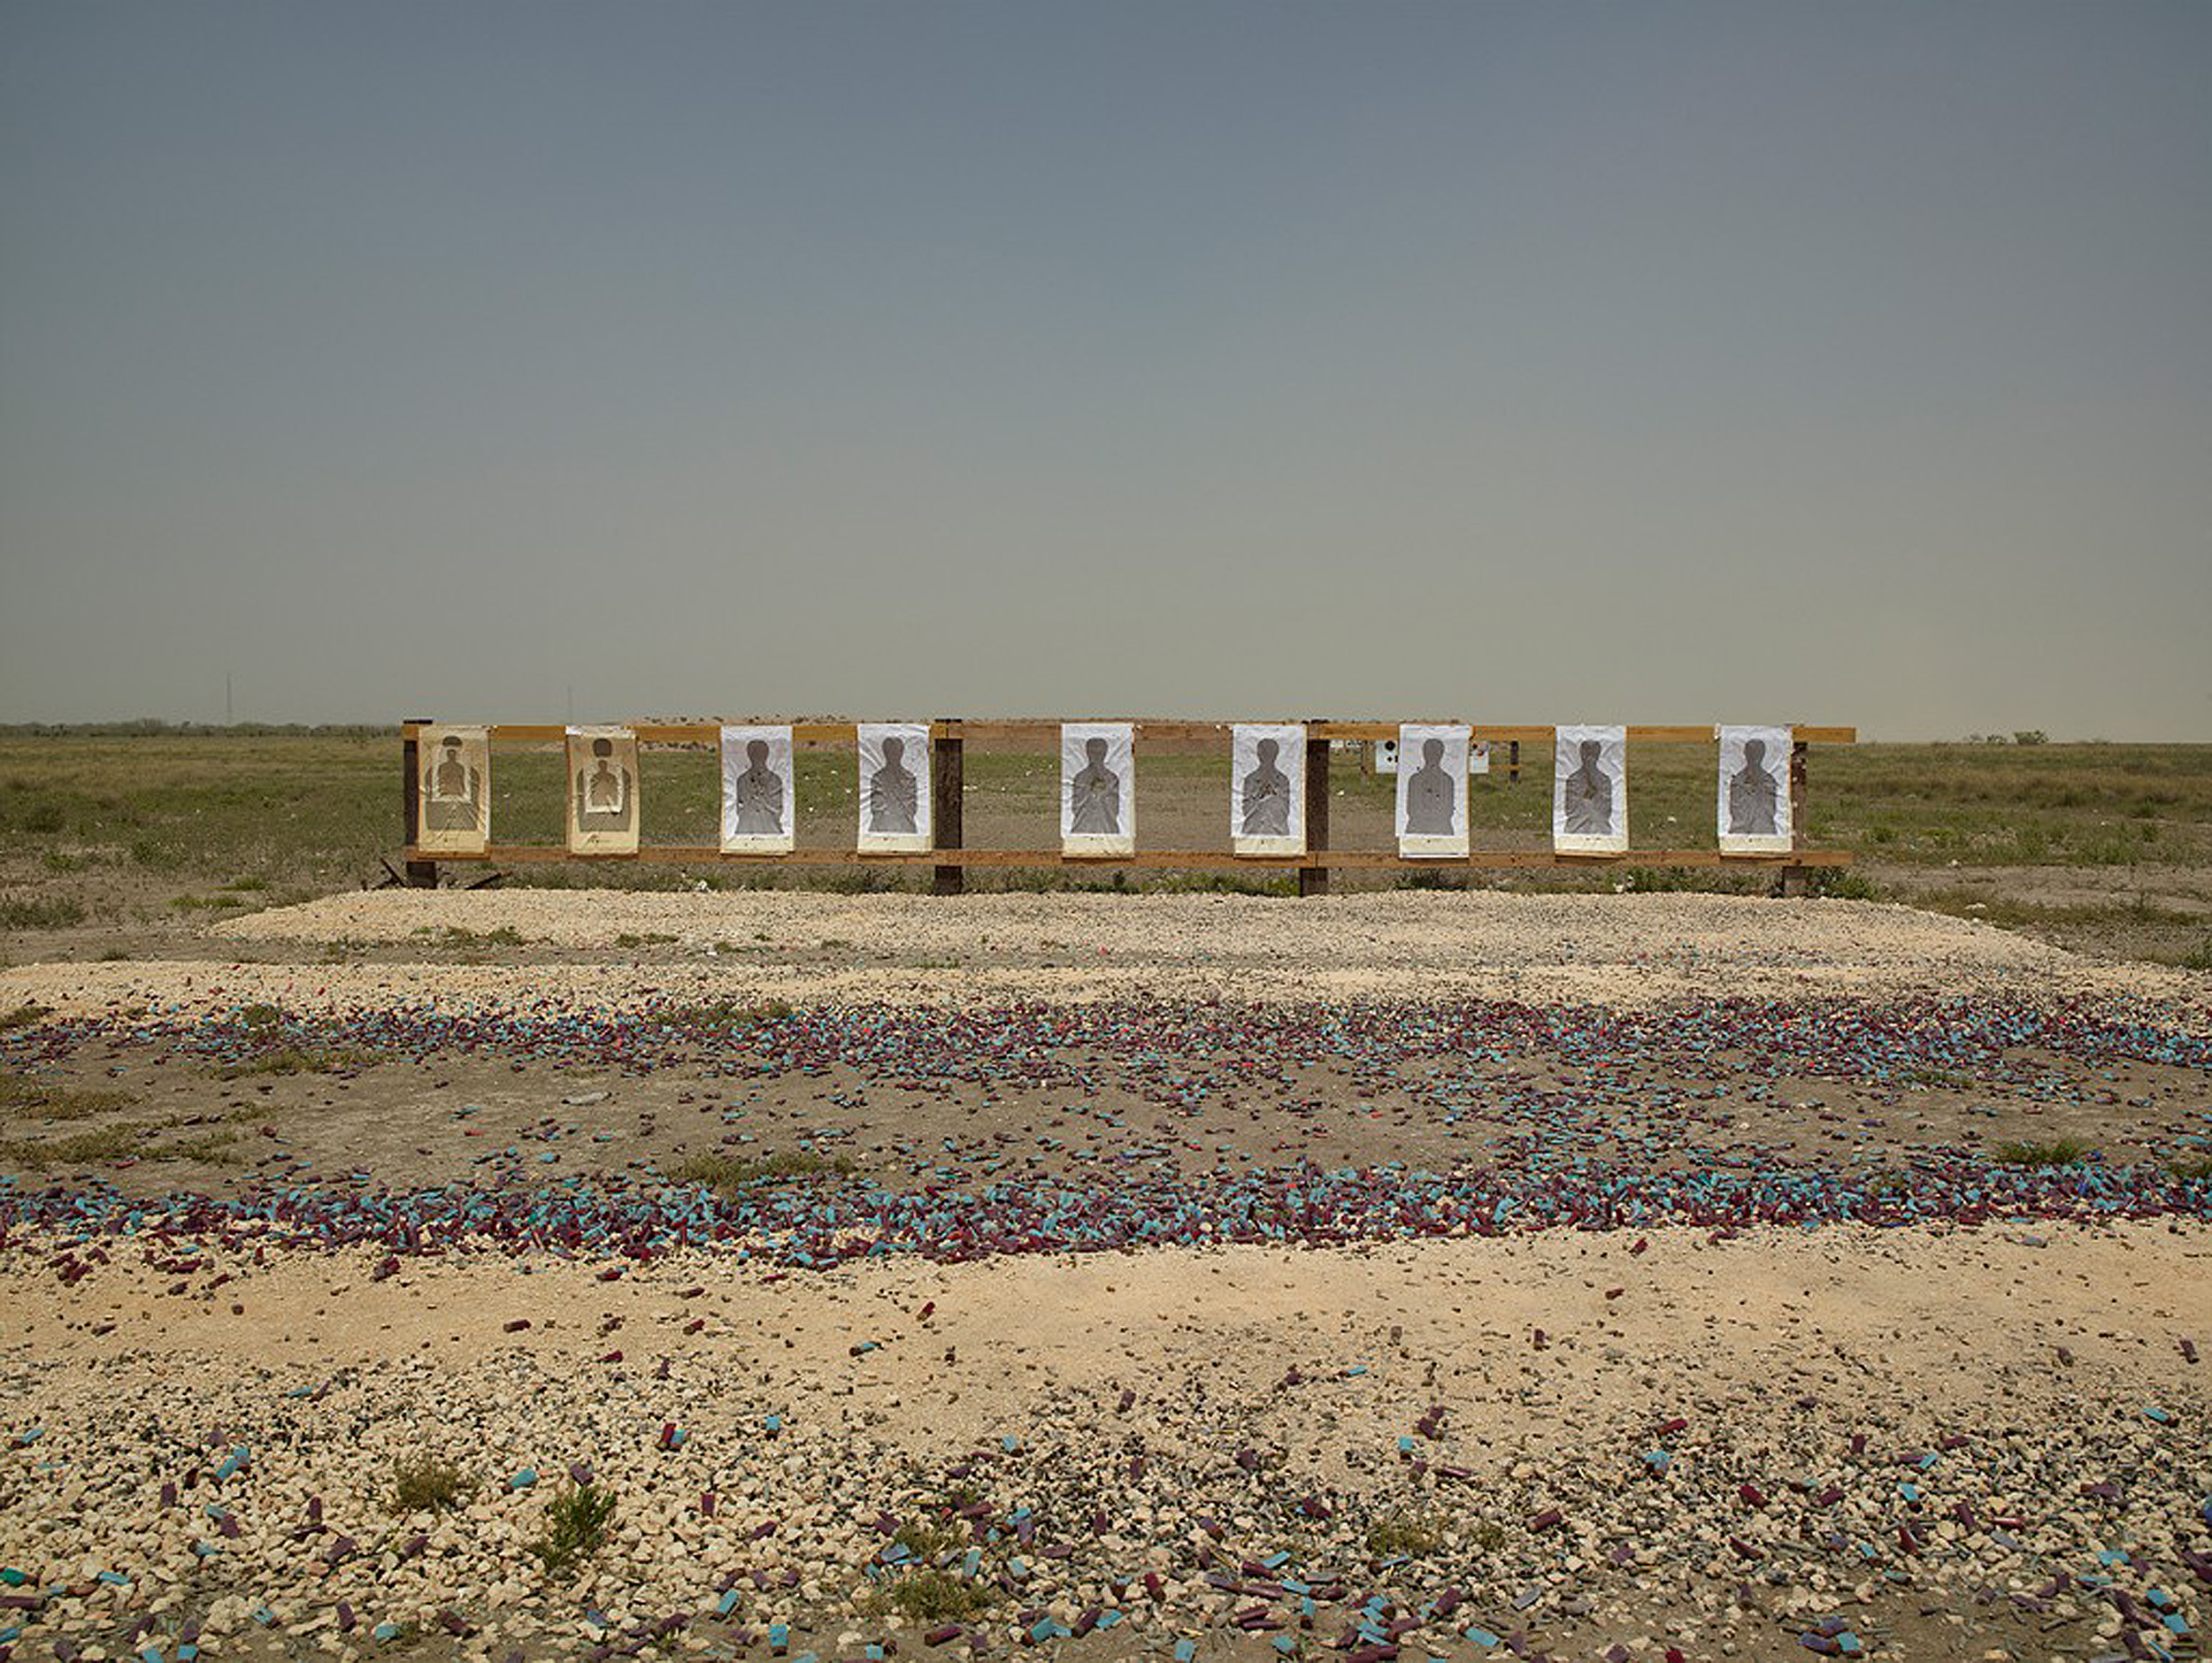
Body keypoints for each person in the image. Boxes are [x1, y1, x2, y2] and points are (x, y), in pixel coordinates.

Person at [424, 734, 480, 832]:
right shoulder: (436, 770)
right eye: (449, 752)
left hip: (462, 805)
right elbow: (429, 792)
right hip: (441, 804)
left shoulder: (469, 771)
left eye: (454, 752)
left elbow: (473, 793)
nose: (452, 754)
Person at [575, 737, 632, 830]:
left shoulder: (583, 774)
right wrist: (625, 826)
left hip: (591, 823)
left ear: (594, 751)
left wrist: (583, 826)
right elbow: (627, 805)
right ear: (611, 751)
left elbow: (580, 803)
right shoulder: (623, 773)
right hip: (616, 823)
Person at [1402, 738, 1456, 835]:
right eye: (1430, 751)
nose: (1433, 755)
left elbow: (1447, 812)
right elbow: (1411, 810)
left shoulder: (1447, 780)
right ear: (1424, 753)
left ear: (1441, 754)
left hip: (1440, 827)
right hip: (1418, 827)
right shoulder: (1415, 780)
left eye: (1436, 752)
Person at [1562, 739, 1615, 837]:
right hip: (1576, 831)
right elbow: (1569, 810)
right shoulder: (1573, 780)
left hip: (1600, 831)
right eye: (1586, 754)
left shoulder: (1605, 781)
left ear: (1598, 755)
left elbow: (1605, 813)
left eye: (1592, 754)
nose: (1589, 758)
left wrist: (1593, 777)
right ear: (1581, 755)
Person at [1240, 738, 1292, 838]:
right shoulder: (1250, 779)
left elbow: (1285, 810)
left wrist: (1271, 797)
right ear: (1258, 755)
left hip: (1277, 831)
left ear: (1275, 755)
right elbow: (1246, 809)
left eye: (1269, 753)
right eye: (1263, 753)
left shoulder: (1282, 780)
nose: (1265, 757)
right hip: (1253, 831)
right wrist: (1261, 796)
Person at [1069, 737, 1121, 835]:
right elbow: (1075, 806)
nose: (1096, 756)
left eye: (1099, 752)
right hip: (1084, 825)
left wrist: (1101, 795)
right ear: (1087, 753)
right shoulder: (1080, 777)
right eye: (1093, 752)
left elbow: (1115, 808)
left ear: (1105, 753)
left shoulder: (1112, 778)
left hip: (1105, 825)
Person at [1729, 737, 1780, 836]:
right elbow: (1735, 810)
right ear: (1746, 755)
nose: (1755, 759)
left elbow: (1770, 810)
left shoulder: (1769, 780)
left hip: (1763, 830)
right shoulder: (1737, 780)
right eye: (1751, 754)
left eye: (1757, 754)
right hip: (1742, 830)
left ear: (1762, 755)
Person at [732, 739, 785, 835]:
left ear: (766, 756)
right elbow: (739, 809)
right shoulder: (742, 780)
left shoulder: (775, 780)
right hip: (747, 827)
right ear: (749, 756)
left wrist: (762, 798)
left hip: (769, 827)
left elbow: (778, 809)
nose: (757, 758)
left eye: (760, 754)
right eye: (754, 754)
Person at [868, 736, 918, 834]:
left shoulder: (909, 778)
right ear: (885, 754)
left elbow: (911, 806)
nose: (893, 756)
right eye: (890, 753)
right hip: (882, 826)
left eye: (896, 752)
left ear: (901, 753)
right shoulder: (878, 778)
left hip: (905, 826)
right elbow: (876, 806)